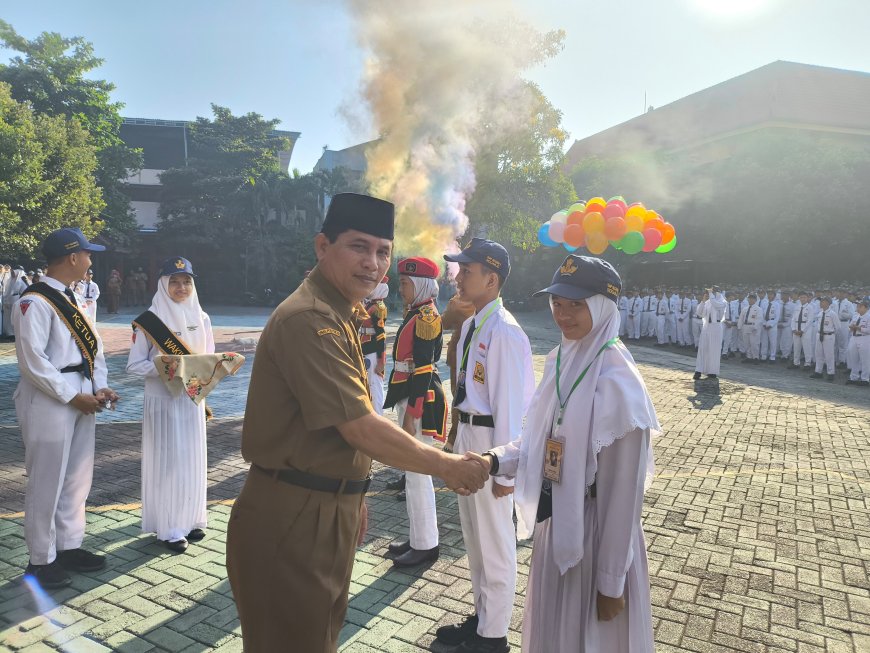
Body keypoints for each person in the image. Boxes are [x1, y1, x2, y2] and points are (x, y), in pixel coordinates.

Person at [224, 193, 488, 653]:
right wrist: (446, 467)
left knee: (317, 637)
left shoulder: (340, 309)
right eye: (358, 247)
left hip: (319, 502)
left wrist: (350, 490)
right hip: (293, 514)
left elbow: (336, 429)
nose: (374, 263)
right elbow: (360, 426)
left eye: (383, 251)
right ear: (322, 246)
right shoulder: (310, 319)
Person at [482, 254, 658, 653]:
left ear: (602, 306)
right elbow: (539, 442)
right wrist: (494, 461)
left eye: (576, 305)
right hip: (557, 521)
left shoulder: (619, 385)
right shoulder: (563, 360)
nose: (563, 314)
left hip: (596, 539)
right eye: (557, 303)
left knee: (589, 639)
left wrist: (611, 581)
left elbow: (623, 497)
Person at [436, 238, 535, 653]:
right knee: (474, 539)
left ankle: (493, 638)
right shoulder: (476, 322)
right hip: (471, 439)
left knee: (495, 543)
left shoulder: (505, 332)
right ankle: (482, 618)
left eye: (468, 271)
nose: (458, 277)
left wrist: (504, 473)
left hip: (493, 445)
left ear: (491, 279)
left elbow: (512, 409)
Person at [13, 228, 119, 589]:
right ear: (73, 257)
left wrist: (98, 386)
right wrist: (72, 395)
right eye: (88, 254)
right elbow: (33, 362)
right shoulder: (34, 302)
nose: (91, 260)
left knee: (77, 477)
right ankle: (41, 559)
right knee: (47, 480)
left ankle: (69, 545)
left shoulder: (73, 298)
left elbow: (94, 350)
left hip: (82, 393)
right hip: (49, 398)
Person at [126, 257, 214, 553]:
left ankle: (191, 519)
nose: (181, 287)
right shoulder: (149, 320)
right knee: (168, 462)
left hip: (191, 401)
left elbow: (208, 362)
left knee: (192, 458)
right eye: (174, 281)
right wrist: (166, 367)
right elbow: (134, 366)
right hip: (163, 402)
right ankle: (169, 527)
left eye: (186, 281)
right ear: (163, 284)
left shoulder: (202, 318)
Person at [383, 257, 447, 567]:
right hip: (406, 393)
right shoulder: (416, 312)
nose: (401, 287)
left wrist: (412, 413)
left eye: (406, 283)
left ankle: (426, 545)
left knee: (419, 472)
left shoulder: (426, 316)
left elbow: (422, 369)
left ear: (420, 284)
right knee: (413, 472)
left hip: (418, 398)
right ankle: (418, 537)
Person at [442, 292, 477, 451]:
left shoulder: (457, 302)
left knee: (458, 396)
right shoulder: (482, 299)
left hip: (459, 355)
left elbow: (444, 323)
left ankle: (453, 440)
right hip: (477, 357)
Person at [360, 275, 389, 414]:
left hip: (373, 351)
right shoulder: (370, 304)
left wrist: (381, 360)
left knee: (375, 387)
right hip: (366, 348)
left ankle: (378, 415)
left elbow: (381, 335)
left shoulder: (379, 307)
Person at [694, 287, 726, 380]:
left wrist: (711, 294)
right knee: (702, 348)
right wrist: (703, 301)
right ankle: (698, 370)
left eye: (713, 292)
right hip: (707, 326)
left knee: (714, 350)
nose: (711, 294)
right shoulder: (708, 302)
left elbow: (716, 305)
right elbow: (700, 313)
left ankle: (712, 371)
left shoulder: (722, 302)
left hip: (716, 326)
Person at [810, 297, 837, 381]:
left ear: (828, 303)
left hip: (828, 335)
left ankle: (831, 373)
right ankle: (818, 371)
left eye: (823, 302)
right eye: (821, 302)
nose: (821, 303)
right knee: (818, 354)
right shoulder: (820, 313)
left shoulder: (832, 314)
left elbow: (838, 327)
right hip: (819, 334)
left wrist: (831, 333)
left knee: (829, 355)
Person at [846, 299, 869, 386]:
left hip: (864, 338)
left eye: (860, 307)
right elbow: (850, 326)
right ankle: (853, 377)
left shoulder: (869, 317)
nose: (858, 308)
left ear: (866, 308)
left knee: (865, 360)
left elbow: (869, 330)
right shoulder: (856, 316)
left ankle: (865, 379)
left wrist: (859, 328)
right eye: (858, 307)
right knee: (853, 358)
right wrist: (851, 328)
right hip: (854, 337)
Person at [790, 291, 815, 370]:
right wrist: (793, 329)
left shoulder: (810, 307)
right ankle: (796, 363)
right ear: (799, 298)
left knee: (807, 347)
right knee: (796, 347)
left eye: (804, 297)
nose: (803, 299)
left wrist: (803, 330)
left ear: (807, 298)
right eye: (801, 297)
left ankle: (807, 363)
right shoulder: (797, 307)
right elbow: (793, 319)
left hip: (805, 329)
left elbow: (810, 320)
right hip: (796, 327)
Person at [2, 266, 28, 340]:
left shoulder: (20, 281)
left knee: (14, 318)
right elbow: (7, 291)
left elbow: (24, 291)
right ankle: (9, 333)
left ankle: (14, 333)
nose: (12, 274)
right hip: (8, 301)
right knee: (8, 318)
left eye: (14, 273)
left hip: (16, 301)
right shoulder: (10, 280)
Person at [738, 293, 763, 363]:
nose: (750, 300)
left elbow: (759, 319)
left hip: (753, 328)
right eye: (749, 298)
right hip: (745, 326)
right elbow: (741, 318)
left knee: (754, 343)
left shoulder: (758, 309)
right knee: (746, 343)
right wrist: (739, 326)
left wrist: (755, 327)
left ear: (755, 300)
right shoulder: (745, 308)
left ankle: (755, 357)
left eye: (752, 298)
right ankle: (749, 357)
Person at [835, 289, 855, 367]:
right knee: (835, 342)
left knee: (843, 343)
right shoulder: (835, 302)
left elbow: (852, 315)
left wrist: (844, 314)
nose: (840, 294)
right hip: (836, 323)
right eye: (839, 292)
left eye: (842, 293)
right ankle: (835, 360)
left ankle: (842, 361)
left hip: (844, 323)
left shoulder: (849, 303)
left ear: (845, 294)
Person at [759, 290, 780, 363]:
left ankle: (772, 357)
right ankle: (763, 356)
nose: (769, 296)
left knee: (773, 341)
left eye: (771, 294)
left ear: (774, 296)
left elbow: (777, 317)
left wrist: (771, 325)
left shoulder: (777, 304)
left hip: (772, 323)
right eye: (768, 294)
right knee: (764, 341)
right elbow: (762, 314)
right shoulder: (764, 303)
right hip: (764, 323)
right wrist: (764, 324)